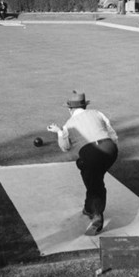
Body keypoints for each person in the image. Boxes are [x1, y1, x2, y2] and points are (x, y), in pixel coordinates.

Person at [47, 91, 119, 236]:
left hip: (92, 154)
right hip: (111, 149)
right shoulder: (97, 113)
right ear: (85, 106)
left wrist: (60, 132)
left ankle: (97, 215)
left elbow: (65, 147)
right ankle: (88, 208)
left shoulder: (69, 124)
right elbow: (113, 135)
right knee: (87, 171)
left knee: (95, 182)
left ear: (70, 109)